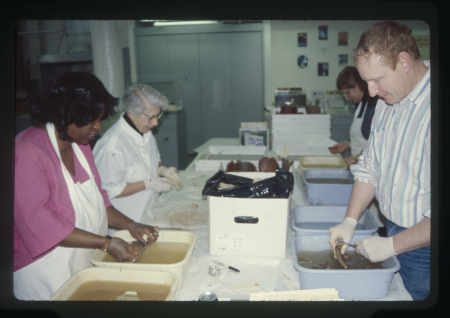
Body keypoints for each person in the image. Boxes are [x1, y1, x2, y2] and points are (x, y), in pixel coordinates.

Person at [14, 72, 161, 300]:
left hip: (82, 259)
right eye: (91, 119)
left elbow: (99, 200)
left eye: (99, 119)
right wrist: (106, 243)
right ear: (66, 115)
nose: (98, 127)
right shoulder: (27, 152)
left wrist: (130, 225)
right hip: (43, 270)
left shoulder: (80, 146)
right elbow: (40, 225)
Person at [328, 21, 431, 300]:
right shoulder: (388, 101)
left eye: (377, 80)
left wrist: (393, 246)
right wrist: (350, 220)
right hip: (395, 227)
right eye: (366, 82)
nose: (371, 92)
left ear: (404, 61)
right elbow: (371, 165)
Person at [93, 84, 182, 228]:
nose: (156, 122)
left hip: (147, 215)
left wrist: (162, 170)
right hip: (125, 225)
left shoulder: (145, 132)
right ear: (131, 114)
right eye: (151, 117)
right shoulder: (112, 146)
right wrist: (148, 184)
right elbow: (110, 190)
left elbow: (152, 160)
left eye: (158, 115)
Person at [329, 66, 378, 169]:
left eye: (347, 93)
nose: (347, 98)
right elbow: (362, 137)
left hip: (368, 166)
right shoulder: (361, 104)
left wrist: (355, 160)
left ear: (358, 85)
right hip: (359, 163)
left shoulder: (373, 106)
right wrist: (347, 144)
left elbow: (377, 146)